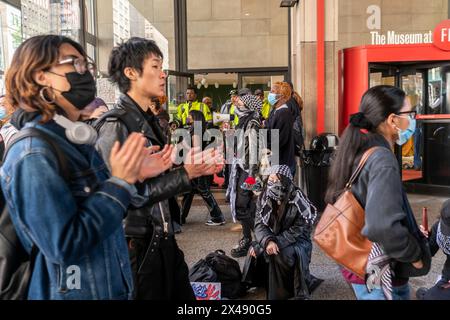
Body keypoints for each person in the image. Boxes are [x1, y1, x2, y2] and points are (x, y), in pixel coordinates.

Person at [0, 35, 158, 300]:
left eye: (87, 65)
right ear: (41, 76)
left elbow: (102, 213)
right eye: (75, 64)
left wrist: (130, 176)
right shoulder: (33, 153)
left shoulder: (71, 142)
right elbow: (64, 245)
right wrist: (118, 183)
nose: (86, 74)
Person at [95, 37, 223, 300]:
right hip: (138, 247)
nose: (162, 74)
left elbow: (152, 179)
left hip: (162, 238)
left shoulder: (147, 120)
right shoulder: (115, 125)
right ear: (131, 72)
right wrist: (186, 173)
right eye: (155, 66)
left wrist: (183, 166)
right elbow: (123, 195)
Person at [325, 85, 428, 300]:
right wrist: (413, 254)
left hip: (358, 260)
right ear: (392, 120)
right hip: (379, 270)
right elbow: (382, 224)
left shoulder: (359, 148)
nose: (413, 120)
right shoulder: (382, 159)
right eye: (410, 114)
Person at [242, 165, 321, 299]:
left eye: (276, 180)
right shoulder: (264, 197)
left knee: (278, 253)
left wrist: (274, 242)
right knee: (254, 249)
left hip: (297, 241)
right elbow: (259, 224)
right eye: (270, 180)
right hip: (274, 236)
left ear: (285, 181)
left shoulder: (298, 199)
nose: (272, 184)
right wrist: (267, 241)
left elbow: (298, 230)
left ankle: (283, 291)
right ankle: (254, 282)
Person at [228, 94, 263, 258]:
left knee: (242, 205)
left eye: (241, 101)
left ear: (248, 106)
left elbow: (254, 151)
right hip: (241, 167)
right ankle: (250, 238)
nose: (237, 102)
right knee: (246, 205)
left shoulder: (252, 123)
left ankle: (258, 238)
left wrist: (251, 176)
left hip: (248, 170)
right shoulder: (243, 121)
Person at [181, 110, 226, 226]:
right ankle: (181, 217)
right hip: (200, 164)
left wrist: (183, 145)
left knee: (203, 190)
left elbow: (196, 149)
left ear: (195, 117)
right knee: (189, 191)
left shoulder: (196, 130)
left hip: (199, 165)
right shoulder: (200, 129)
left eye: (189, 115)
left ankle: (217, 217)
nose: (187, 117)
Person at [416, 200, 450, 300]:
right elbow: (429, 252)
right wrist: (423, 239)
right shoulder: (439, 226)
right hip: (448, 275)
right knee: (429, 297)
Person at [266, 82, 296, 176]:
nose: (270, 94)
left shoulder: (284, 113)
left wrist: (266, 145)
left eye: (273, 91)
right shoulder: (275, 111)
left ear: (281, 95)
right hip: (275, 159)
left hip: (281, 161)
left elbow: (279, 139)